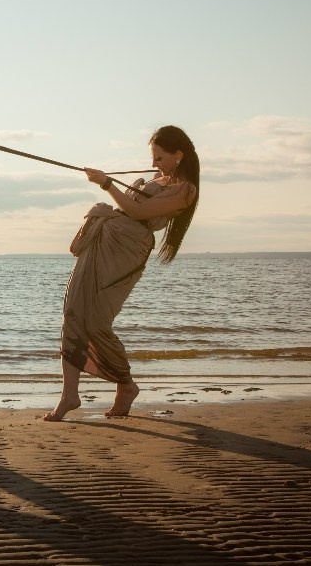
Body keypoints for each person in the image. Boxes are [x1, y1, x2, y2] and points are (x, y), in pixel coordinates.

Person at [43, 125, 200, 422]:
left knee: (98, 320)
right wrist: (106, 185)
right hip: (103, 241)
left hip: (126, 250)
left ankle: (125, 386)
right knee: (73, 310)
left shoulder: (185, 190)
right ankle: (69, 395)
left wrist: (106, 184)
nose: (154, 163)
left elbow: (139, 213)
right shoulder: (156, 179)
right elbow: (129, 208)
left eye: (159, 157)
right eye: (152, 157)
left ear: (178, 155)